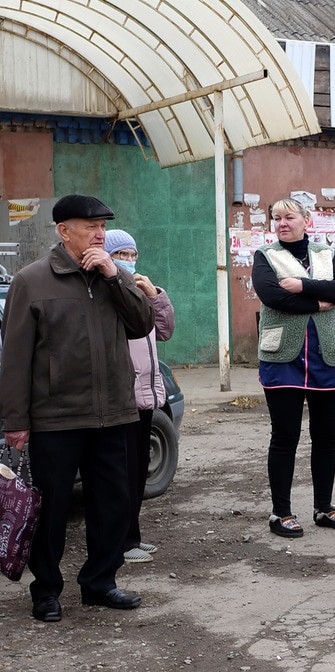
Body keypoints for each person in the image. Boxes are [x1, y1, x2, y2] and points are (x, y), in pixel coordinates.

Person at [0, 194, 155, 622]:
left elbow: (143, 324)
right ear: (63, 231)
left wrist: (115, 276)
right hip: (56, 416)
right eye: (90, 226)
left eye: (103, 226)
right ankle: (46, 589)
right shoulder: (31, 281)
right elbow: (15, 357)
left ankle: (101, 582)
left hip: (114, 413)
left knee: (113, 503)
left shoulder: (113, 276)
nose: (99, 234)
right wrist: (15, 420)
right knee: (50, 510)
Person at [252, 198, 335, 538]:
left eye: (289, 217)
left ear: (306, 220)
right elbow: (271, 297)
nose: (283, 223)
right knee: (285, 437)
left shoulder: (326, 254)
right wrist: (318, 302)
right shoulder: (265, 257)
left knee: (326, 438)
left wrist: (302, 285)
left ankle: (323, 508)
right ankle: (280, 513)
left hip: (328, 359)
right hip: (283, 359)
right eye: (277, 217)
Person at [104, 229, 176, 563]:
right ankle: (120, 543)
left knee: (138, 471)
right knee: (120, 477)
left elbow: (163, 331)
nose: (130, 261)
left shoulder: (139, 292)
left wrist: (156, 295)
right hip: (123, 397)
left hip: (148, 395)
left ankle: (132, 536)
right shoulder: (109, 293)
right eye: (122, 255)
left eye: (133, 255)